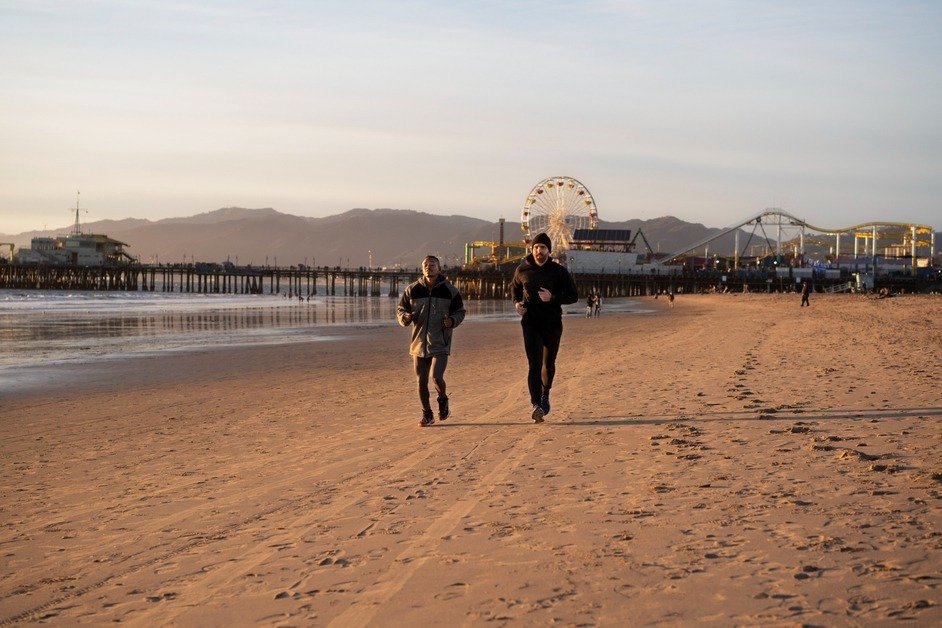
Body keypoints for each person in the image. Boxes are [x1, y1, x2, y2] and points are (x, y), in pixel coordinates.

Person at [511, 233, 579, 423]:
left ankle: (545, 393)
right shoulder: (522, 269)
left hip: (552, 323)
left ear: (549, 250)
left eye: (542, 248)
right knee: (534, 364)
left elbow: (573, 296)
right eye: (535, 248)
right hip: (530, 323)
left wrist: (553, 297)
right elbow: (514, 289)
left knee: (548, 364)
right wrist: (517, 303)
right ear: (531, 249)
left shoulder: (559, 271)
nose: (538, 251)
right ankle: (536, 405)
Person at [397, 255, 465, 427]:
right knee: (421, 381)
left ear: (439, 268)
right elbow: (400, 310)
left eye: (432, 265)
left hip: (440, 341)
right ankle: (427, 414)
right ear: (422, 268)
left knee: (436, 377)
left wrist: (452, 321)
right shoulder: (412, 290)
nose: (429, 267)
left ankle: (443, 400)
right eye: (426, 265)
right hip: (418, 343)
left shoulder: (450, 290)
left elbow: (460, 311)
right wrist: (405, 317)